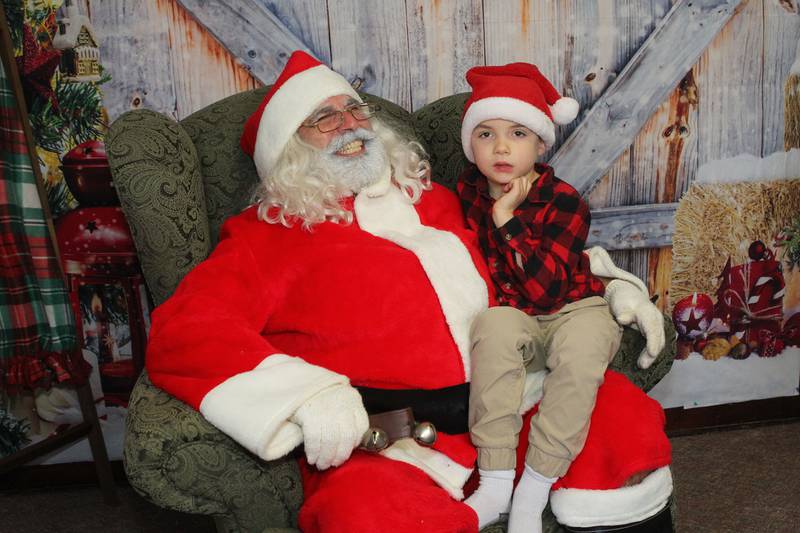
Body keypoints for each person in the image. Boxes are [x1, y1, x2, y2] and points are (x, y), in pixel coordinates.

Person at [145, 51, 672, 532]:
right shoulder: (265, 235)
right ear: (288, 150)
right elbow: (186, 330)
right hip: (391, 444)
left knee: (622, 423)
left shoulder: (440, 199)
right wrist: (307, 397)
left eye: (353, 111)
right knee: (367, 514)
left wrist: (609, 290)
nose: (349, 126)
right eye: (323, 119)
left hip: (514, 396)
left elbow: (527, 258)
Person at [456, 62, 667, 532]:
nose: (502, 147)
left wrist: (506, 218)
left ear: (540, 143)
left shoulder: (565, 200)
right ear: (470, 145)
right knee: (490, 328)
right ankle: (495, 482)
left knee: (583, 351)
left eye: (517, 133)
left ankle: (534, 487)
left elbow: (547, 289)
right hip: (515, 314)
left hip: (572, 307)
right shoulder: (465, 193)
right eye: (486, 134)